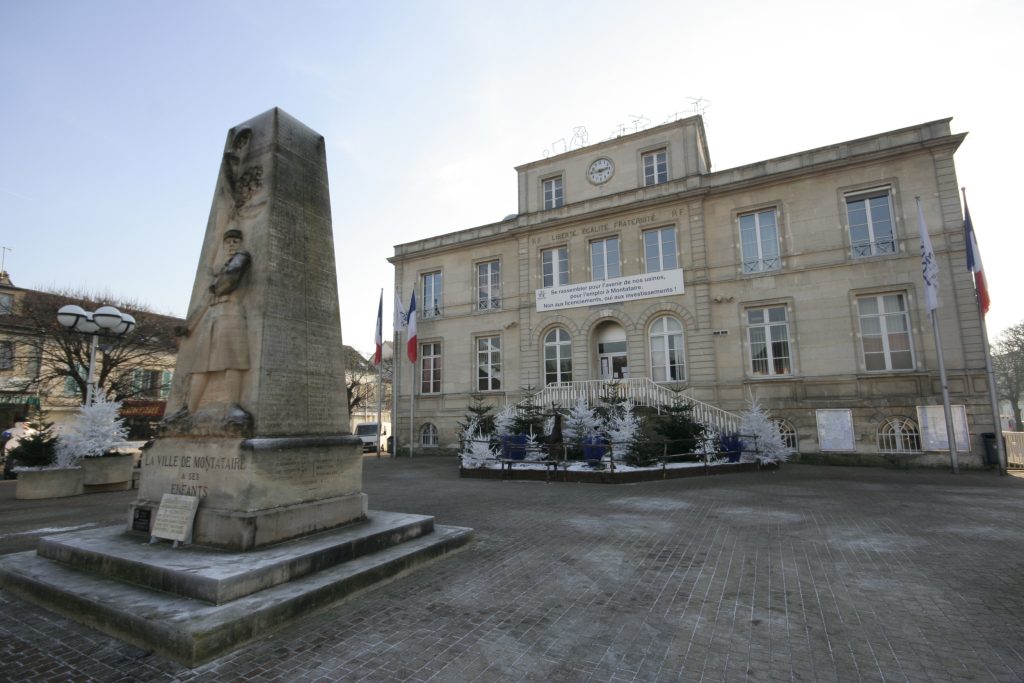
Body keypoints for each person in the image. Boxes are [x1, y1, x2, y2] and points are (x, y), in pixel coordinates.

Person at [178, 228, 251, 422]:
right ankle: (189, 409)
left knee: (232, 361)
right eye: (228, 243)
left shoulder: (241, 259)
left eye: (235, 242)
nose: (231, 245)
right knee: (199, 366)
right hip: (212, 316)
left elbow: (228, 282)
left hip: (231, 313)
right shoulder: (221, 269)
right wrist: (189, 325)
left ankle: (234, 406)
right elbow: (204, 300)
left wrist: (217, 284)